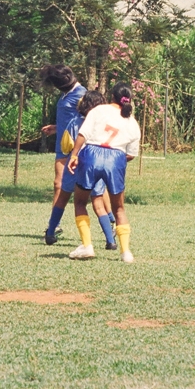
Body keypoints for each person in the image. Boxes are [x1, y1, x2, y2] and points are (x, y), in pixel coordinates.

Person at [38, 65, 116, 248]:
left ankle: (111, 220)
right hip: (64, 145)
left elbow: (91, 119)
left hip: (80, 149)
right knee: (59, 184)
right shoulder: (66, 94)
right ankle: (54, 227)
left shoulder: (82, 94)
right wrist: (57, 128)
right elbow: (74, 119)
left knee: (95, 191)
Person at [66, 82, 142, 263]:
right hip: (116, 158)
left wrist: (74, 155)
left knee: (80, 202)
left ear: (111, 97)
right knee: (119, 208)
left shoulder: (98, 111)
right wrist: (115, 162)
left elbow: (83, 134)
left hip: (91, 154)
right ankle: (126, 252)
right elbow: (131, 154)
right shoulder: (132, 122)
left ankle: (87, 246)